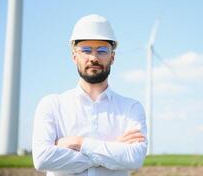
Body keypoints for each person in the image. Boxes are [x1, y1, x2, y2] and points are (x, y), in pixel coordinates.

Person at [32, 14, 147, 176]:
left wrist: (78, 143)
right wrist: (112, 149)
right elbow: (42, 159)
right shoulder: (51, 105)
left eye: (102, 50)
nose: (94, 58)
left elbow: (134, 159)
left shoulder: (131, 108)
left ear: (112, 57)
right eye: (86, 50)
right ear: (74, 57)